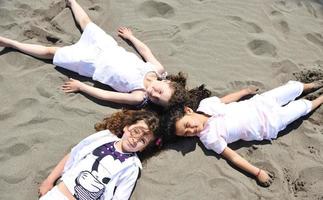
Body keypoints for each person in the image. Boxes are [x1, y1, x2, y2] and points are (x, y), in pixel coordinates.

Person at [0, 0, 187, 108]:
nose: (153, 93)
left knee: (52, 53)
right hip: (107, 47)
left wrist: (81, 87)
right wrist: (132, 38)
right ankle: (72, 1)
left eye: (156, 99)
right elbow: (146, 51)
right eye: (159, 91)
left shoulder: (138, 96)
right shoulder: (158, 69)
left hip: (90, 64)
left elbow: (106, 96)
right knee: (86, 23)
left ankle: (12, 43)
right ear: (167, 82)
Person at [162, 80, 323, 186]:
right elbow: (233, 156)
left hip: (260, 103)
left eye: (188, 125)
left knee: (289, 89)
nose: (191, 131)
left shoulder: (206, 104)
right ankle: (319, 100)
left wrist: (245, 91)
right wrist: (257, 172)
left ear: (189, 111)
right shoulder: (209, 138)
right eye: (186, 134)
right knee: (300, 108)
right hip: (269, 124)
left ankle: (309, 86)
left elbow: (226, 100)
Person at [38, 109, 160, 199]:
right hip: (59, 194)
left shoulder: (132, 168)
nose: (136, 139)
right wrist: (49, 181)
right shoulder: (104, 137)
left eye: (143, 141)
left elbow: (120, 197)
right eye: (136, 131)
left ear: (143, 148)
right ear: (126, 127)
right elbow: (73, 154)